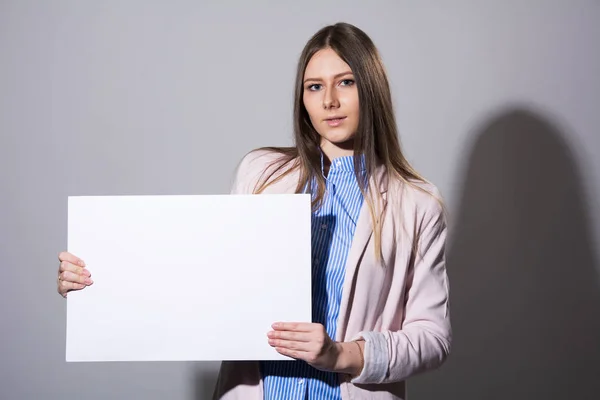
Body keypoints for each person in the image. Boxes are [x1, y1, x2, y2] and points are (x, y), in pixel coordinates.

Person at [56, 22, 451, 400]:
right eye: (314, 87)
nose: (329, 100)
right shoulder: (261, 174)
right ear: (303, 99)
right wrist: (98, 283)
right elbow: (205, 280)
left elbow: (432, 338)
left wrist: (343, 355)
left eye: (345, 82)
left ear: (371, 88)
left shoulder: (416, 203)